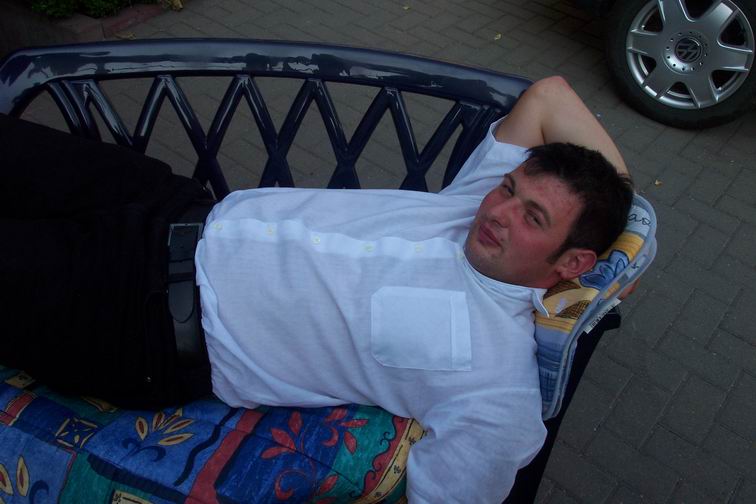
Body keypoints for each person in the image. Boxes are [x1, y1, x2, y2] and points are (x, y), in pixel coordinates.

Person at [0, 76, 633, 503]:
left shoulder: (496, 386)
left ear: (573, 262)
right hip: (165, 204)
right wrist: (630, 218)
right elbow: (549, 96)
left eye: (533, 218)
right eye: (509, 189)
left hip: (137, 318)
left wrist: (607, 245)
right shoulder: (471, 206)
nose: (498, 212)